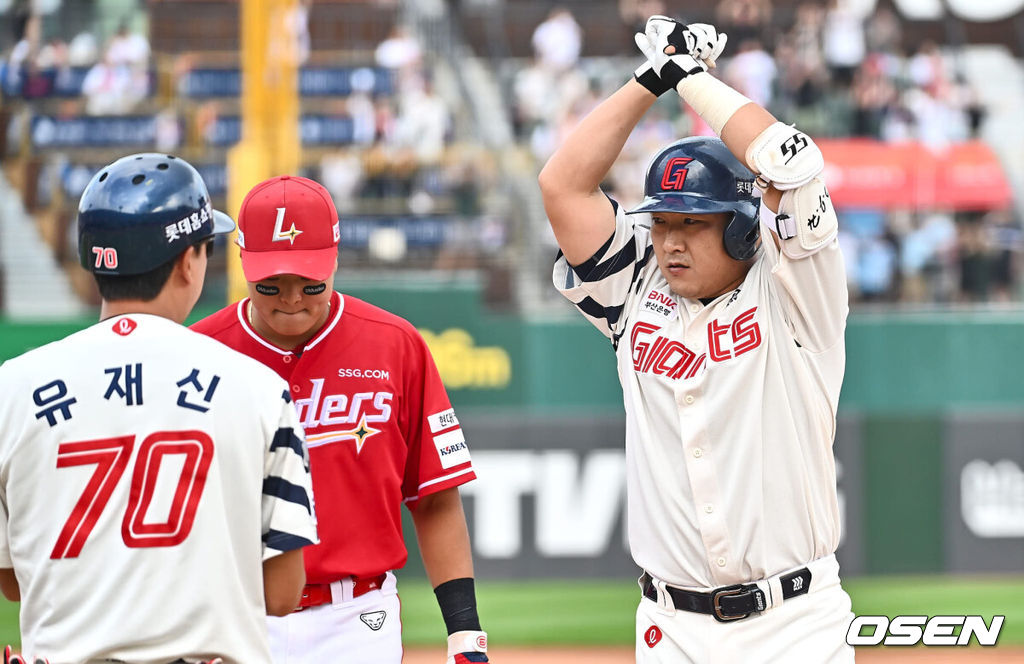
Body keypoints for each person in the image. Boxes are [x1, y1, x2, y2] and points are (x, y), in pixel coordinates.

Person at [539, 16, 854, 663]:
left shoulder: (796, 290)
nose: (671, 240)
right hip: (671, 629)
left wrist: (695, 82)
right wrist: (651, 76)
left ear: (742, 230)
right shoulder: (636, 285)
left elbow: (791, 164)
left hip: (797, 625)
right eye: (661, 222)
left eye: (694, 223)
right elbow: (562, 186)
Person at [0, 154, 319, 663]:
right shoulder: (259, 389)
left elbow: (13, 579)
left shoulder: (9, 390)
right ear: (188, 260)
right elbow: (282, 593)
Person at [190, 175, 489, 664]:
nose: (291, 299)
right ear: (241, 262)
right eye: (271, 283)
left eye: (310, 282)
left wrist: (465, 633)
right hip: (233, 614)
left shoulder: (395, 344)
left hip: (357, 621)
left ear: (335, 257)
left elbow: (434, 499)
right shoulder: (198, 353)